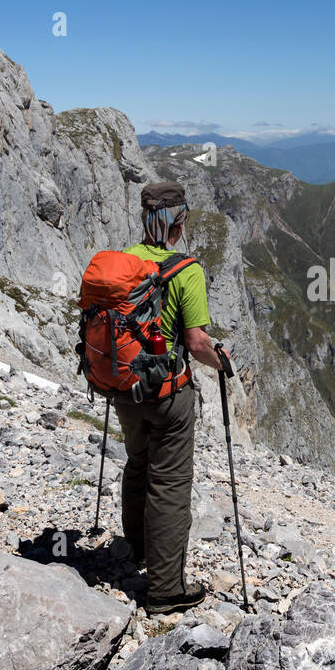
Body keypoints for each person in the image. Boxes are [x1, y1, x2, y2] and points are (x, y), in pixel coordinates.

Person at [116, 182, 232, 615]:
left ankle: (137, 553)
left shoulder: (124, 259)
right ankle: (165, 590)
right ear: (177, 223)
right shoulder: (187, 270)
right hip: (167, 393)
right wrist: (222, 364)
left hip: (125, 390)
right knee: (170, 483)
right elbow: (197, 343)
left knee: (138, 462)